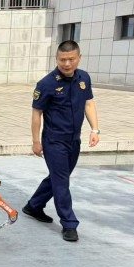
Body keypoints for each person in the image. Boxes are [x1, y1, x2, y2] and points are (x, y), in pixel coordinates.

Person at [23, 40, 100, 242]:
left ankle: (33, 206)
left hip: (74, 141)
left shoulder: (84, 78)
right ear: (56, 59)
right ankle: (69, 224)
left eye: (71, 59)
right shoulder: (46, 84)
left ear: (79, 58)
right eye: (62, 60)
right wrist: (36, 141)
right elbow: (36, 113)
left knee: (58, 178)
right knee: (62, 183)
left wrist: (95, 129)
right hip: (54, 141)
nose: (67, 64)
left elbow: (89, 103)